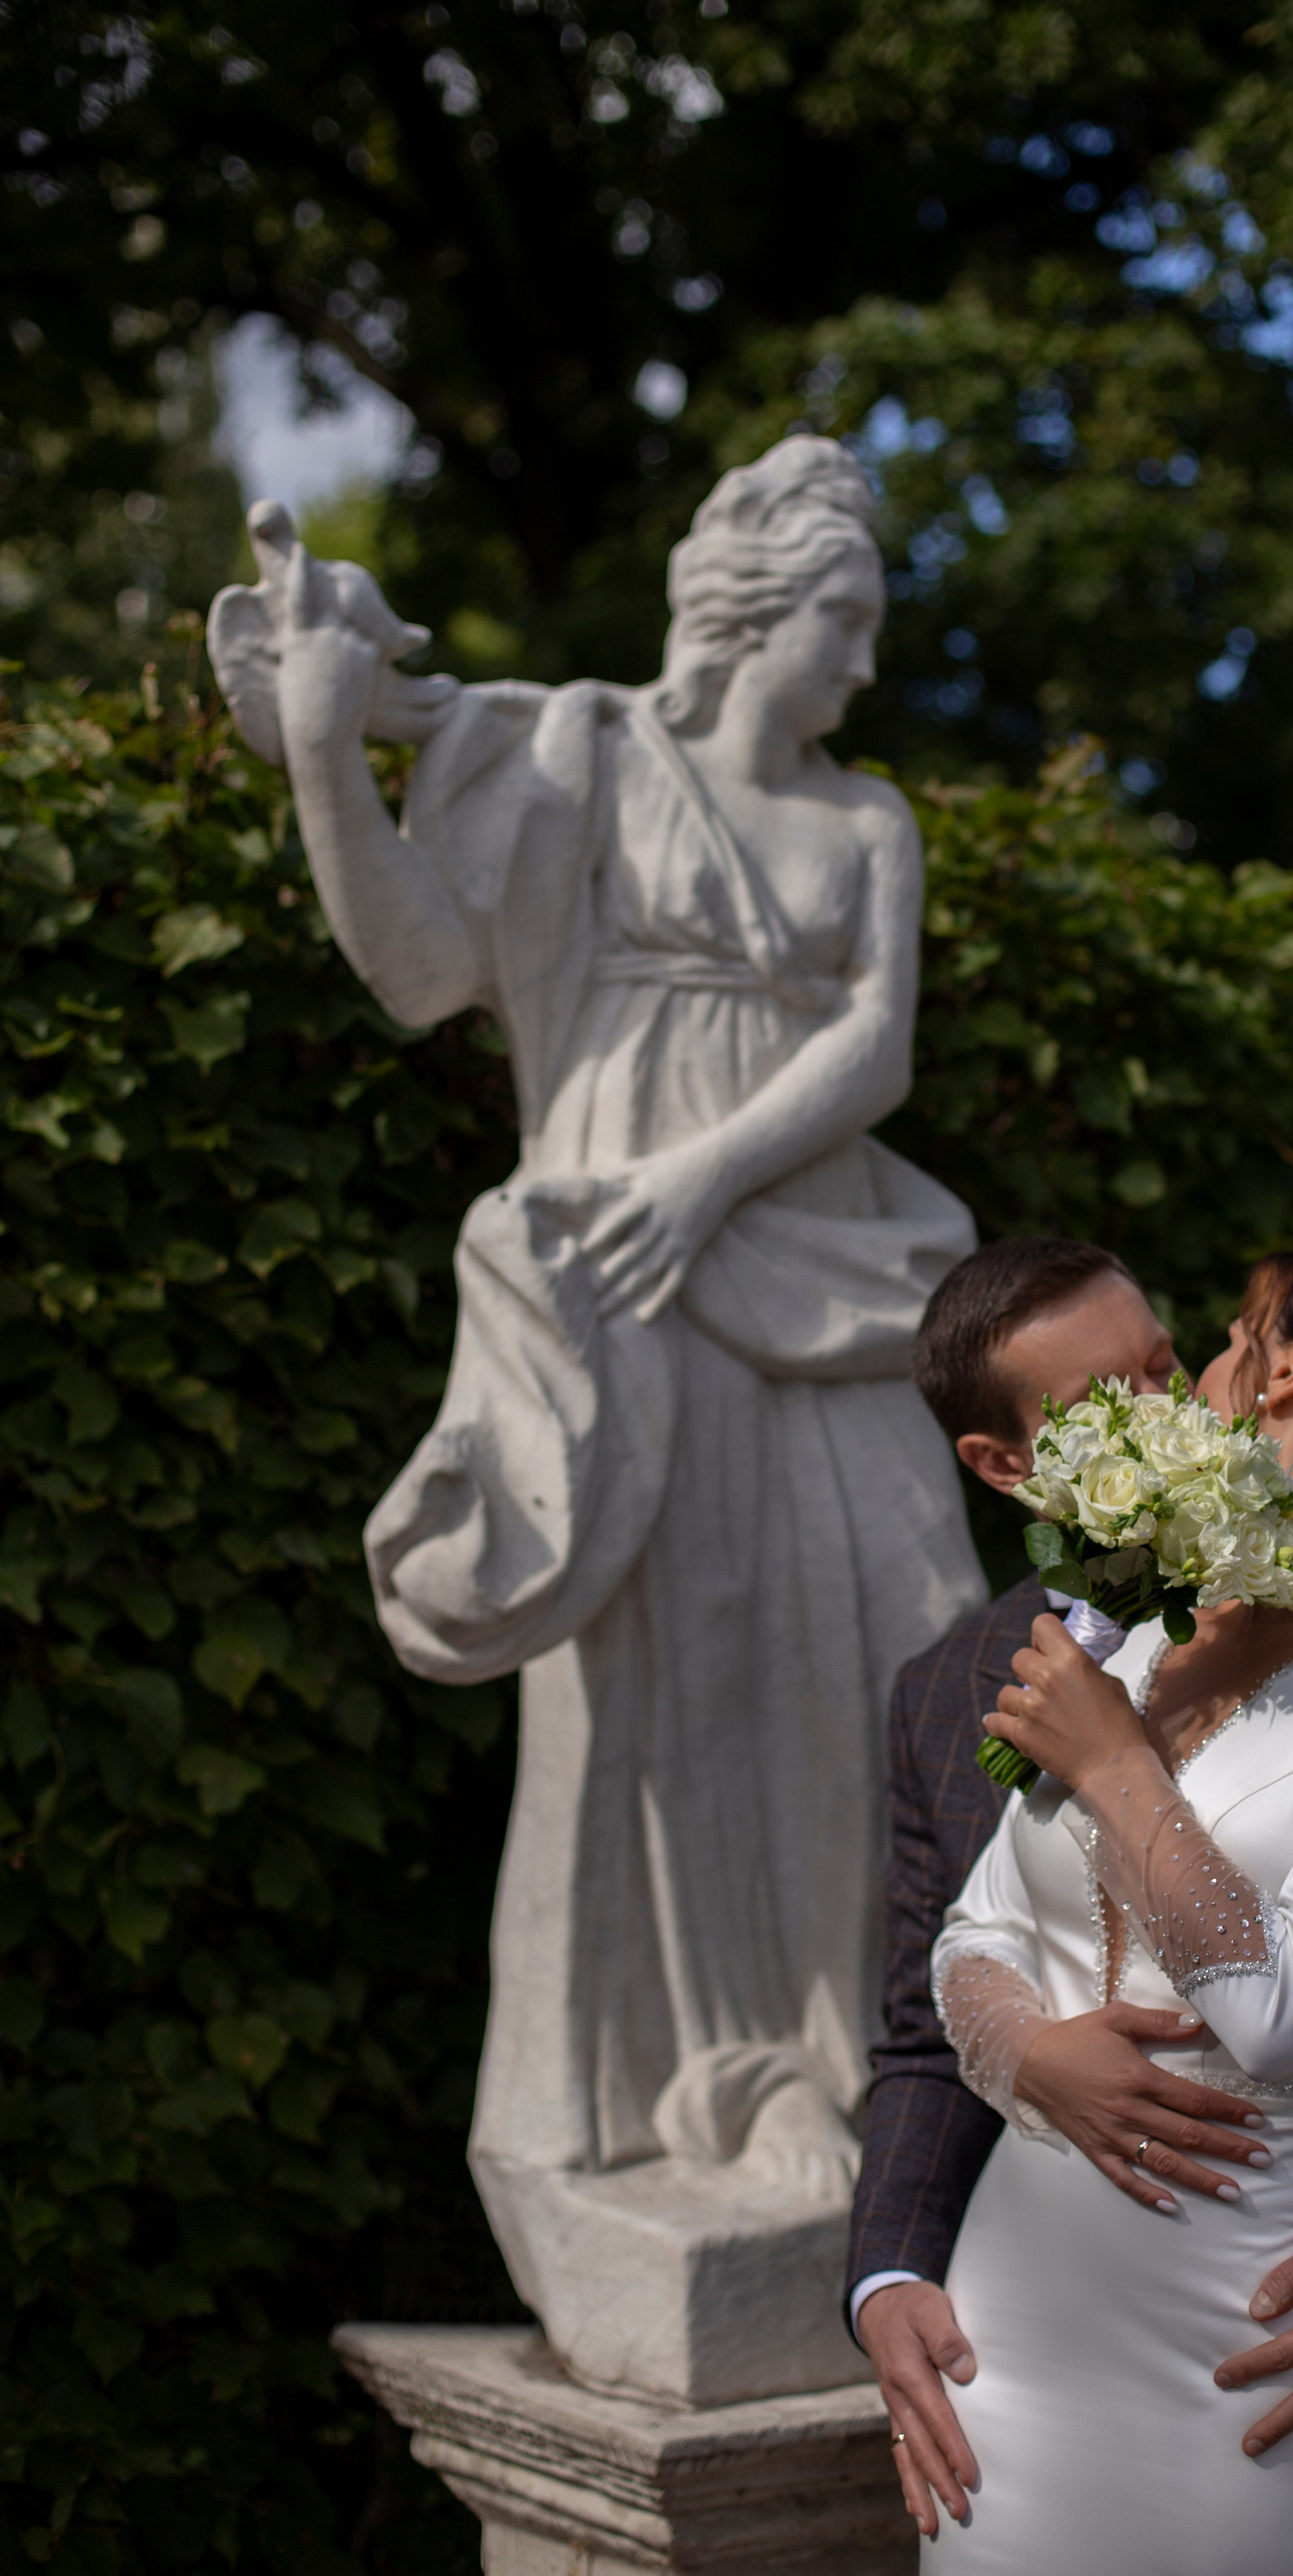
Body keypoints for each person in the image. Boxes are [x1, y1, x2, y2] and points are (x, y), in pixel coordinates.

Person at [215, 436, 989, 2337]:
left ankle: (874, 2080)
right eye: (845, 622)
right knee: (672, 1696)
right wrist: (328, 746)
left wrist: (705, 1172)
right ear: (746, 616)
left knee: (909, 1650)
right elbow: (414, 968)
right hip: (615, 1310)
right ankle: (699, 2100)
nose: (863, 668)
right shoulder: (576, 752)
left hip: (806, 1274)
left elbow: (876, 1049)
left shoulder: (866, 820)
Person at [850, 1238, 1293, 2573]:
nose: (1168, 1403)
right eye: (1103, 1400)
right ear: (1006, 1468)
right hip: (1025, 2324)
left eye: (1166, 1360)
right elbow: (946, 1974)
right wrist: (1012, 2083)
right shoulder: (1040, 1663)